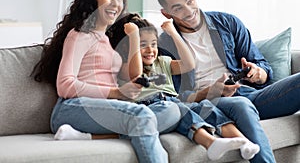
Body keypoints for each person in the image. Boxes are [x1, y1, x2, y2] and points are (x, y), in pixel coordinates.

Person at [54, 13, 261, 161]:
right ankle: (209, 141)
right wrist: (134, 37)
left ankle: (243, 142)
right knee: (178, 109)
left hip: (172, 103)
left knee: (207, 108)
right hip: (149, 106)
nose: (150, 50)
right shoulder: (126, 67)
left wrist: (172, 32)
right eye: (143, 45)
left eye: (153, 44)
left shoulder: (162, 63)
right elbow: (135, 73)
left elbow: (189, 63)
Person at [31, 0, 183, 163]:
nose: (115, 3)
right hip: (72, 108)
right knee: (142, 115)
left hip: (104, 108)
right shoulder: (79, 35)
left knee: (172, 110)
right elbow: (65, 85)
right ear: (93, 0)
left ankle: (87, 136)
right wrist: (116, 93)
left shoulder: (106, 40)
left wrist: (132, 87)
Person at [155, 0, 300, 163]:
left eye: (189, 0)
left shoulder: (228, 23)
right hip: (211, 103)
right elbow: (176, 97)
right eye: (178, 8)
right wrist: (211, 91)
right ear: (166, 13)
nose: (189, 11)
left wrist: (257, 74)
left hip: (250, 93)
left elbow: (263, 66)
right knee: (241, 104)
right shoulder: (164, 45)